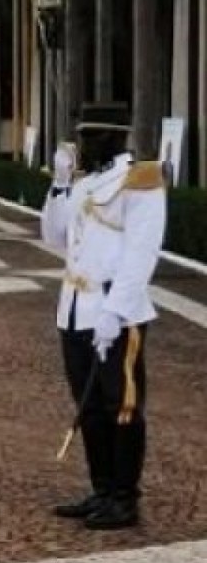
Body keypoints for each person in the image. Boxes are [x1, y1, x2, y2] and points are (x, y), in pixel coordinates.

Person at [41, 103, 166, 530]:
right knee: (89, 405)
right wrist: (59, 185)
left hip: (116, 313)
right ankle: (102, 490)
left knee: (122, 406)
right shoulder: (86, 183)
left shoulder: (142, 180)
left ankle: (124, 498)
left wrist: (115, 313)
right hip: (74, 311)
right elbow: (54, 237)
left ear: (113, 137)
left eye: (89, 138)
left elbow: (141, 253)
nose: (81, 146)